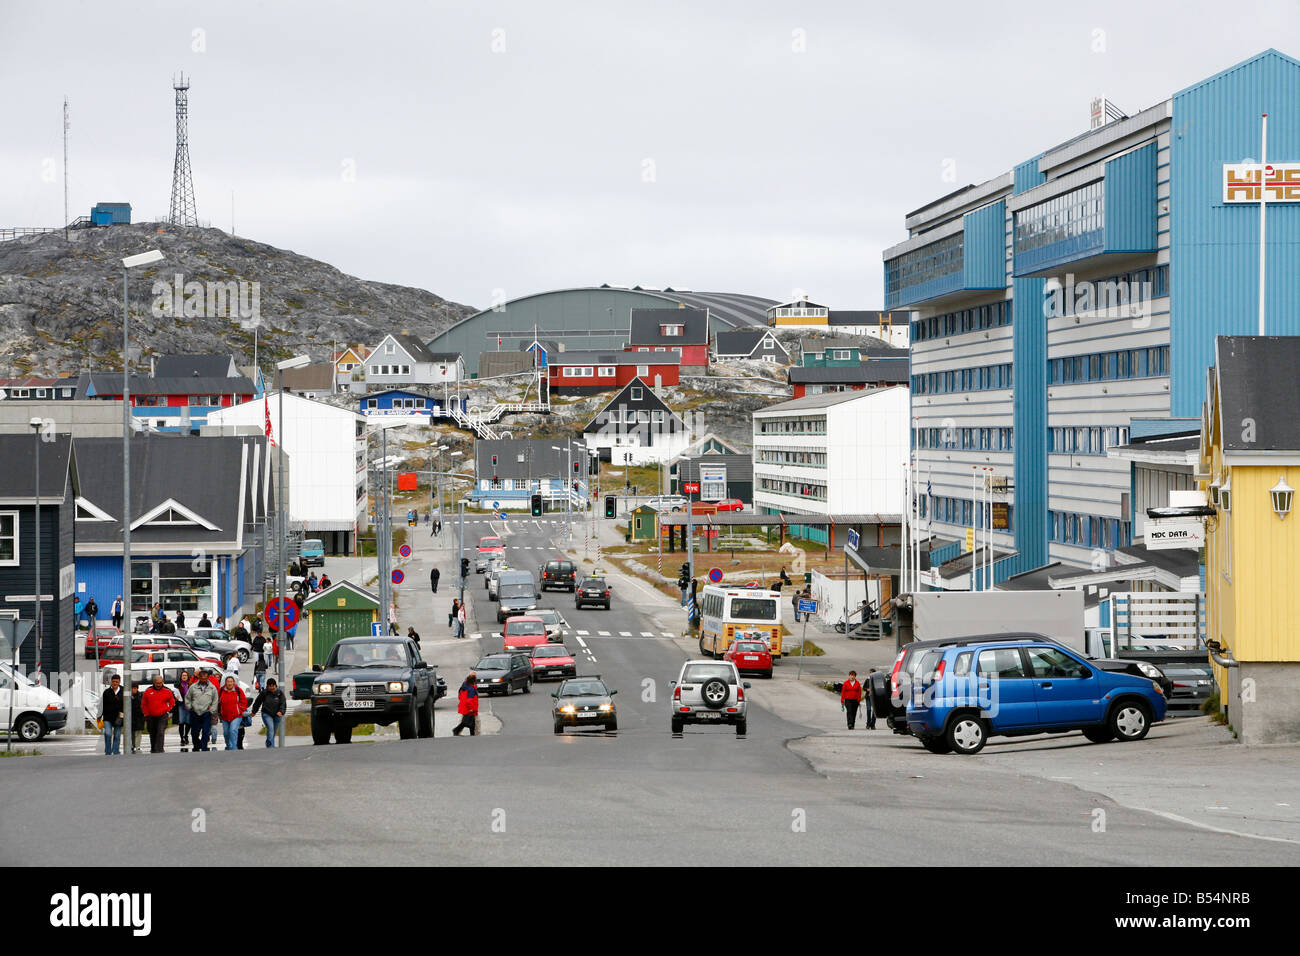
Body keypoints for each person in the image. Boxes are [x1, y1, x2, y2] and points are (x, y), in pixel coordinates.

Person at [142, 674, 177, 753]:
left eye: (160, 683)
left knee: (160, 731)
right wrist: (146, 714)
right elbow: (144, 704)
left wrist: (168, 711)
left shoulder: (167, 691)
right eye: (157, 683)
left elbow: (172, 702)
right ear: (154, 682)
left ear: (163, 682)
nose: (159, 685)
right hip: (150, 716)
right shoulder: (148, 691)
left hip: (162, 715)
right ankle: (153, 748)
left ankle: (160, 749)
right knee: (152, 732)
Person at [185, 668, 218, 752]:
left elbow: (215, 700)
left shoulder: (212, 688)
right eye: (202, 678)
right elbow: (187, 698)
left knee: (206, 731)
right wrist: (190, 707)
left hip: (206, 713)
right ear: (199, 677)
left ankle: (204, 747)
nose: (204, 679)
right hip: (195, 712)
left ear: (208, 678)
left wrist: (212, 710)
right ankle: (197, 745)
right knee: (194, 732)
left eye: (205, 678)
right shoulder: (193, 687)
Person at [251, 678, 287, 746]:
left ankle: (269, 743)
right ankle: (271, 747)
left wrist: (281, 712)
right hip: (266, 714)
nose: (272, 687)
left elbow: (283, 703)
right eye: (270, 686)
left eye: (273, 686)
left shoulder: (279, 693)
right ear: (267, 686)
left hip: (277, 715)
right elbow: (257, 702)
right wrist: (254, 711)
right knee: (270, 729)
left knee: (273, 731)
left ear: (275, 686)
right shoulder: (264, 693)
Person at [218, 676, 247, 751]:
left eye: (231, 682)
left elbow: (244, 702)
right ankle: (228, 746)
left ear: (234, 682)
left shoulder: (238, 690)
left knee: (233, 730)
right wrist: (219, 712)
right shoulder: (221, 690)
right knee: (226, 733)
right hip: (224, 716)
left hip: (236, 716)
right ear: (225, 683)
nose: (230, 683)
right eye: (228, 682)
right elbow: (218, 702)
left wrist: (240, 710)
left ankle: (234, 748)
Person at [101, 674, 125, 755]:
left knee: (117, 735)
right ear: (111, 682)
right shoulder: (106, 692)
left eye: (117, 682)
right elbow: (102, 705)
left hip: (119, 717)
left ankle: (115, 751)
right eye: (113, 681)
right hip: (107, 717)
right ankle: (108, 751)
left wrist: (122, 715)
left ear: (119, 682)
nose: (115, 683)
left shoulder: (124, 691)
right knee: (108, 734)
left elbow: (127, 704)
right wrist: (99, 716)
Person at [175, 668, 194, 751]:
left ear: (188, 677)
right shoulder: (178, 685)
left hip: (189, 705)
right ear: (180, 677)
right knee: (181, 722)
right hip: (181, 705)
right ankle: (182, 738)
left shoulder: (191, 685)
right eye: (183, 675)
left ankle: (186, 735)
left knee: (188, 722)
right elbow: (175, 694)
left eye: (185, 675)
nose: (184, 677)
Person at [129, 683, 145, 753]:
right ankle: (132, 745)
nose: (133, 690)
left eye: (135, 688)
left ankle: (138, 746)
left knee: (138, 732)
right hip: (131, 717)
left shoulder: (140, 695)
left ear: (137, 689)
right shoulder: (128, 696)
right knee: (132, 732)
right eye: (132, 688)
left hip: (139, 717)